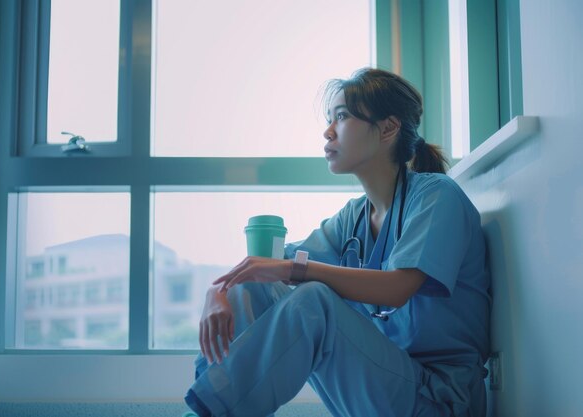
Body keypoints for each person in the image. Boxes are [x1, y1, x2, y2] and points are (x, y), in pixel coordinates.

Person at [184, 68, 491, 417]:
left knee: (313, 301)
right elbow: (265, 269)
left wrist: (293, 269)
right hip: (383, 386)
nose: (328, 131)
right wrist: (218, 291)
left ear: (388, 128)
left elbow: (398, 288)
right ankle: (209, 406)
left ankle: (209, 411)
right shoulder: (354, 217)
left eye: (342, 117)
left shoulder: (436, 196)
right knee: (251, 288)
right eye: (330, 119)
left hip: (439, 399)